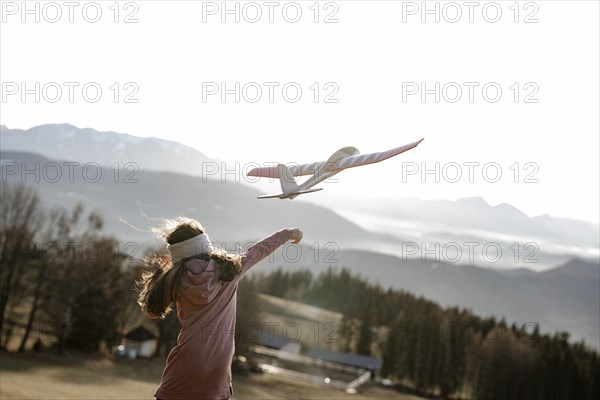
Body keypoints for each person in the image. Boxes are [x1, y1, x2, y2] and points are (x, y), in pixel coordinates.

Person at [136, 217, 303, 400]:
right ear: (203, 243)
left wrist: (160, 274)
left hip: (184, 364)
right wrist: (287, 233)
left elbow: (152, 312)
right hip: (217, 370)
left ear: (177, 253)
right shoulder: (230, 271)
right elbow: (259, 250)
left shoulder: (173, 279)